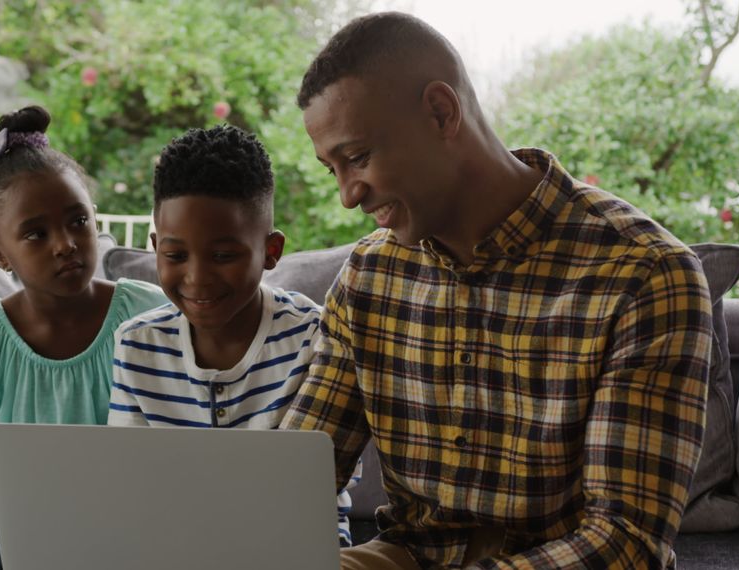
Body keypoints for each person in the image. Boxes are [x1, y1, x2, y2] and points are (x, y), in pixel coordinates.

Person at [280, 12, 714, 570]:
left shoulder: (644, 275)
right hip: (407, 557)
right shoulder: (369, 276)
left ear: (441, 112)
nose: (347, 195)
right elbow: (292, 483)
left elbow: (625, 541)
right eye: (331, 169)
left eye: (358, 158)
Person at [0, 106, 169, 570]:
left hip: (122, 488)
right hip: (13, 489)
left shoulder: (145, 310)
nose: (65, 243)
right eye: (35, 233)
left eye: (78, 221)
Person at [107, 125, 358, 546]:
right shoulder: (136, 346)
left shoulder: (314, 337)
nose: (197, 278)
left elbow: (319, 483)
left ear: (271, 251)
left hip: (292, 544)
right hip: (174, 545)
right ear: (155, 248)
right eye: (175, 255)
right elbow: (130, 483)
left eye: (223, 255)